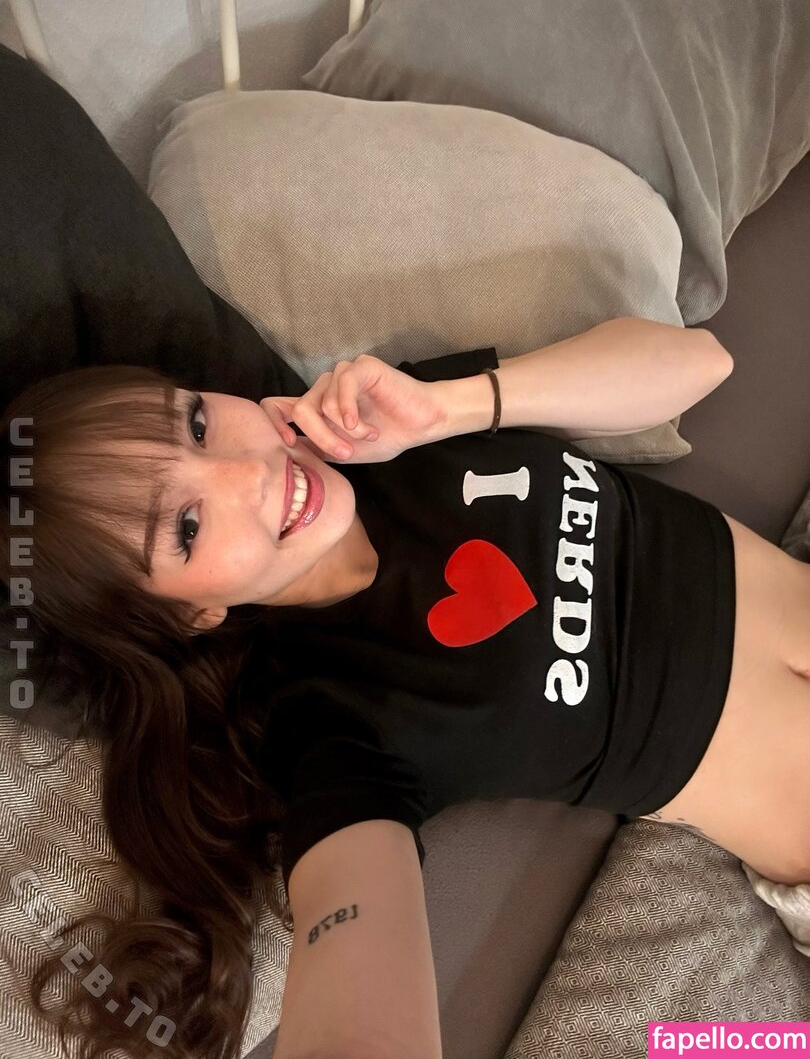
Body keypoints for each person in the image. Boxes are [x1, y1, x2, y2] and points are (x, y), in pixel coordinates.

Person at [3, 315, 810, 1058]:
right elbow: (356, 979)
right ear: (192, 614)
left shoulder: (402, 422)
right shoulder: (323, 722)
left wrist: (453, 407)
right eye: (186, 526)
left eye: (198, 424)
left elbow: (700, 362)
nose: (252, 472)